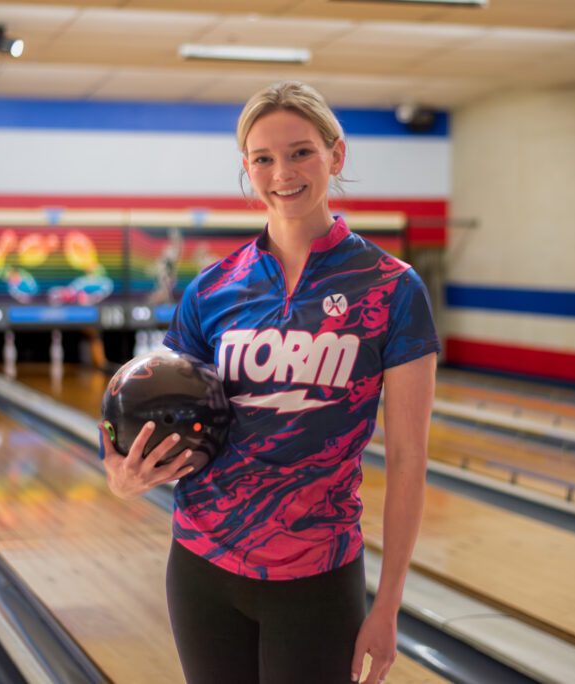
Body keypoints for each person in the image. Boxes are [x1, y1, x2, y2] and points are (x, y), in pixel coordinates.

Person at [100, 81, 440, 684]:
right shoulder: (212, 289)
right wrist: (125, 474)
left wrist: (388, 605)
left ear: (337, 156)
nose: (282, 172)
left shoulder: (392, 288)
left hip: (317, 574)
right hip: (202, 563)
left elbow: (411, 459)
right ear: (247, 169)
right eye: (263, 158)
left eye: (301, 152)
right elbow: (155, 408)